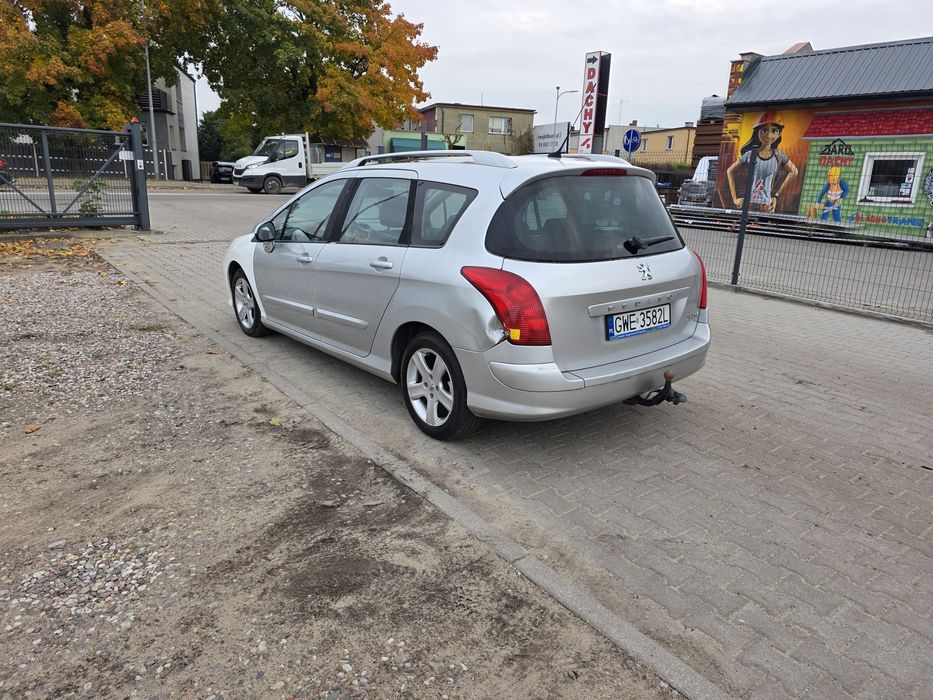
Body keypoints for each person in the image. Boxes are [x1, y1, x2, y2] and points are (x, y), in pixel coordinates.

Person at [726, 112, 797, 213]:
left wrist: (776, 195)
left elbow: (794, 171)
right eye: (764, 130)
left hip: (766, 205)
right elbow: (730, 171)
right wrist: (735, 199)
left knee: (761, 228)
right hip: (748, 203)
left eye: (774, 131)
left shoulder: (777, 155)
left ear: (779, 134)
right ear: (757, 132)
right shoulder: (750, 154)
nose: (768, 135)